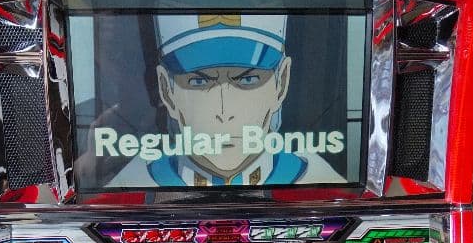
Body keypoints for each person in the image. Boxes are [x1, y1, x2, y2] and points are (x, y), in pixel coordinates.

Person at [109, 12, 346, 187]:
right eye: (199, 81)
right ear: (166, 90)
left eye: (248, 79)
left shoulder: (322, 182)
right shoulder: (129, 184)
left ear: (281, 82)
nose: (224, 111)